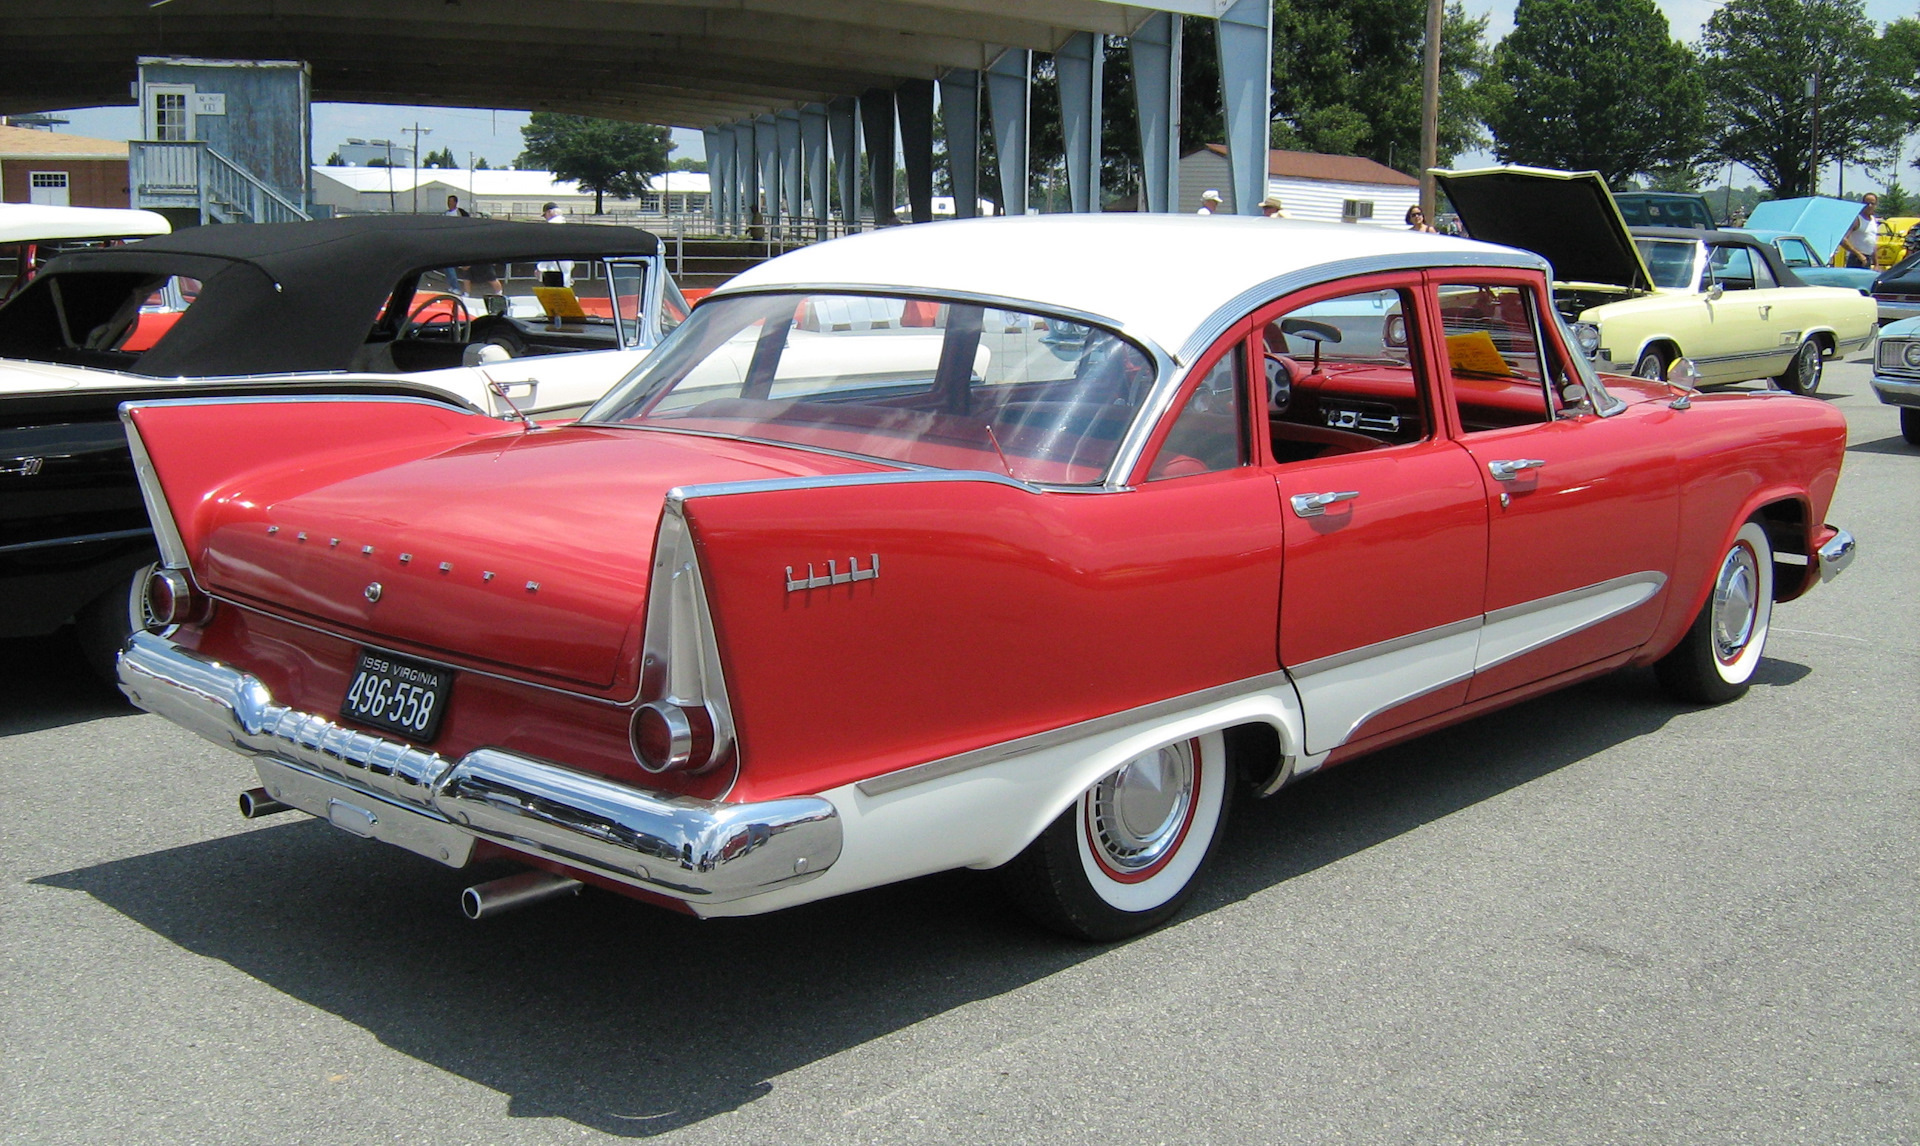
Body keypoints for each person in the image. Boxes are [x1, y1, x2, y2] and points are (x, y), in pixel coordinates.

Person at [1841, 193, 1878, 269]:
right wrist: (1858, 254)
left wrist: (1876, 264)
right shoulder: (1857, 220)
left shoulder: (1873, 220)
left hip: (1868, 259)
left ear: (1875, 205)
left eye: (1872, 203)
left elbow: (1872, 244)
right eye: (1867, 203)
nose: (1869, 206)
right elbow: (1843, 240)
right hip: (1856, 259)